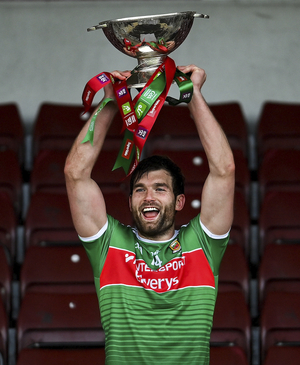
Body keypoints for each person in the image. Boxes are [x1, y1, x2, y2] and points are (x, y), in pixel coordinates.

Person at [64, 64, 235, 365]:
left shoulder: (203, 245)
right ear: (130, 202)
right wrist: (109, 103)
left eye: (160, 188)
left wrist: (192, 94)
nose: (149, 196)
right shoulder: (109, 246)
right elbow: (75, 174)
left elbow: (224, 171)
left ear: (180, 202)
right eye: (140, 190)